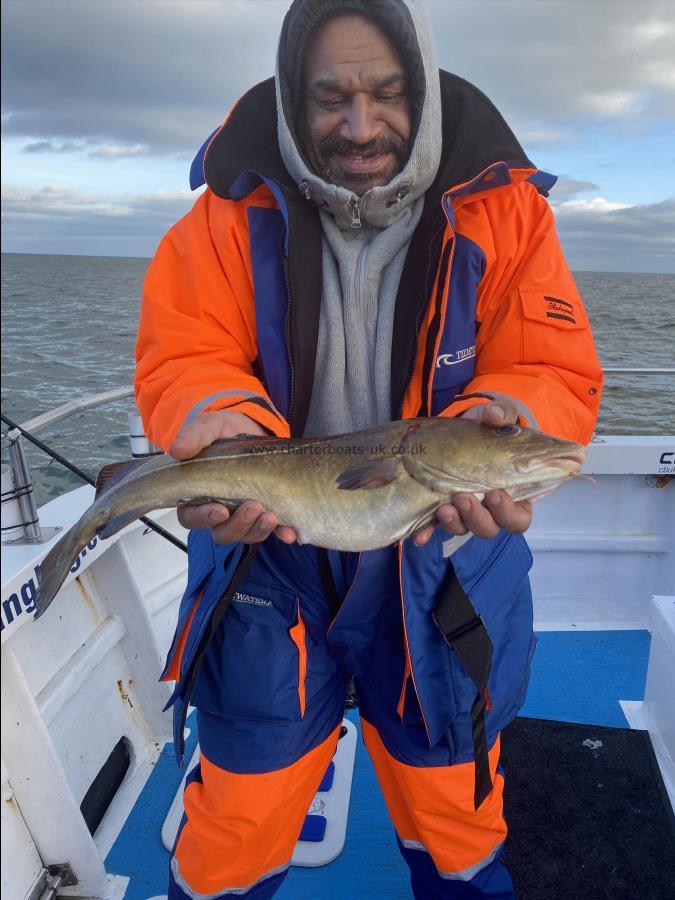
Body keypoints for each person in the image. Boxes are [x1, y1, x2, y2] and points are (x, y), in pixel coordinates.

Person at [135, 1, 602, 897]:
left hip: (446, 561)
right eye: (329, 96)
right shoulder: (221, 217)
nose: (359, 125)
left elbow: (547, 364)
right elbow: (185, 352)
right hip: (265, 559)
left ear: (419, 89)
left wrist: (504, 415)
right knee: (240, 814)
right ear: (288, 97)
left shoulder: (509, 215)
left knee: (455, 809)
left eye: (386, 93)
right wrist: (215, 415)